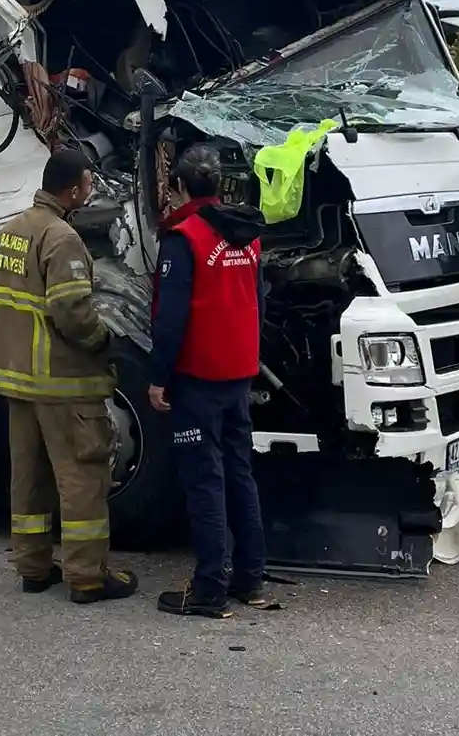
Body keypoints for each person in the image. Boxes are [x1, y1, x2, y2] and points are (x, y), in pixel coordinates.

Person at [0, 146, 139, 605]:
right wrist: (102, 341)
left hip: (17, 377)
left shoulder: (13, 230)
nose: (91, 191)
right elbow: (70, 310)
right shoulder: (62, 237)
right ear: (72, 190)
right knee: (82, 479)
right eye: (89, 184)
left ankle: (33, 568)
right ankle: (88, 577)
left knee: (28, 476)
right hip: (59, 380)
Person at [148, 143, 271, 618]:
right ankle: (250, 578)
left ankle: (207, 590)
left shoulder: (184, 238)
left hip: (198, 376)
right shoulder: (248, 235)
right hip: (239, 372)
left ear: (178, 185)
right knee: (239, 472)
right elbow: (258, 302)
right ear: (220, 185)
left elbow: (170, 316)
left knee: (205, 480)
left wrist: (159, 376)